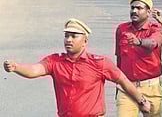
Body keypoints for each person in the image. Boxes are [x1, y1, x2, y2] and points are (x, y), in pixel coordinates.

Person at [3, 19, 152, 116]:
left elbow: (124, 81)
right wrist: (17, 67)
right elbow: (34, 70)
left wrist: (142, 101)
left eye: (74, 36)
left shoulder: (100, 63)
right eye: (67, 36)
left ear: (85, 41)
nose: (68, 40)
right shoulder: (55, 61)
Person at [115, 0, 162, 117]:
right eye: (132, 8)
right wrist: (118, 83)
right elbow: (119, 59)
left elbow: (154, 43)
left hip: (151, 87)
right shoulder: (121, 29)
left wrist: (139, 42)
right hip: (127, 88)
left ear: (148, 12)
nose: (134, 11)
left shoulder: (156, 29)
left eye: (139, 8)